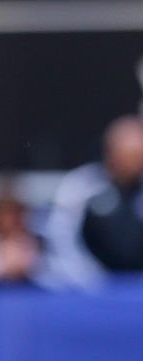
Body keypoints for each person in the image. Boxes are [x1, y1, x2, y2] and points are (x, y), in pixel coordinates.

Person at [47, 115, 143, 285]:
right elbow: (61, 240)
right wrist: (94, 282)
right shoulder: (81, 186)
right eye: (130, 155)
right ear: (110, 152)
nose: (135, 162)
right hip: (94, 288)